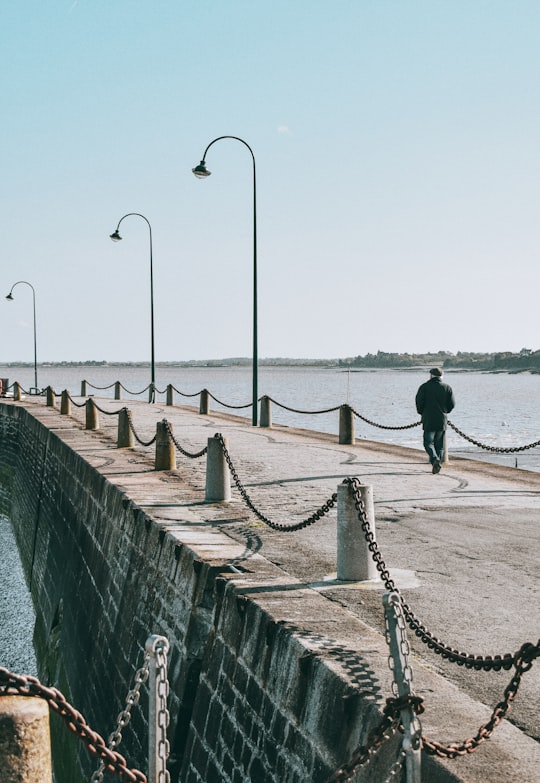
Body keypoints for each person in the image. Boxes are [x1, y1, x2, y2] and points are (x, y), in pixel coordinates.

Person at [415, 368, 455, 474]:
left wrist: (422, 412)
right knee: (439, 444)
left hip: (428, 418)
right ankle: (437, 463)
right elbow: (452, 404)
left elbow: (419, 402)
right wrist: (445, 411)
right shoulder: (447, 387)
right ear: (442, 376)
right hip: (442, 419)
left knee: (428, 443)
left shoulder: (424, 387)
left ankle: (434, 459)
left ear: (431, 375)